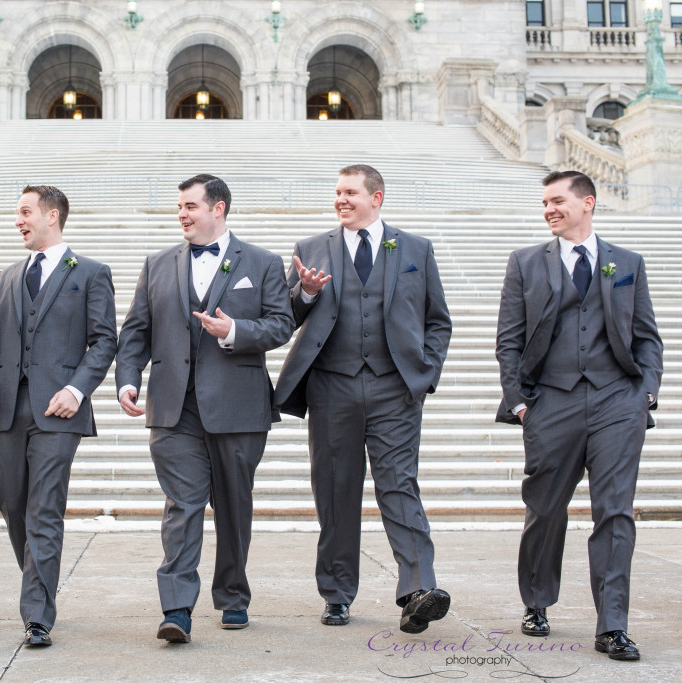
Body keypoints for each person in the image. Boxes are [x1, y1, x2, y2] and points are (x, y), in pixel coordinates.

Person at [274, 164, 452, 633]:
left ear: (377, 197)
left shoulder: (415, 249)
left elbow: (438, 320)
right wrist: (306, 292)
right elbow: (284, 318)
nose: (341, 200)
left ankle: (418, 591)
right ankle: (336, 594)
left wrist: (424, 374)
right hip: (332, 386)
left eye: (350, 192)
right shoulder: (310, 250)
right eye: (337, 192)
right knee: (335, 491)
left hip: (396, 389)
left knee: (400, 485)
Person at [116, 174, 293, 643]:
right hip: (174, 409)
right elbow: (135, 330)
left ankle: (233, 596)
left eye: (191, 206)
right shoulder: (156, 264)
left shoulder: (262, 262)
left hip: (239, 406)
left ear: (219, 209)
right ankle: (176, 608)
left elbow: (280, 325)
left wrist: (235, 331)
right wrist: (127, 380)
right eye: (180, 206)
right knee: (183, 505)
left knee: (235, 507)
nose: (182, 214)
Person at [495, 170, 662, 661]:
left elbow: (647, 336)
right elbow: (509, 339)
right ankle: (537, 601)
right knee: (545, 510)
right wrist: (521, 401)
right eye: (544, 203)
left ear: (587, 203)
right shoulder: (526, 262)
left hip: (617, 401)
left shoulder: (626, 262)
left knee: (615, 513)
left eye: (557, 201)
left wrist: (645, 394)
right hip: (552, 400)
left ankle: (612, 625)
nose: (548, 209)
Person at [0, 185, 117, 648]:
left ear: (52, 216)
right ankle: (40, 578)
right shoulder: (7, 276)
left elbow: (104, 341)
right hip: (9, 410)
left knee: (44, 508)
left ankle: (37, 613)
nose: (18, 220)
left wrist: (77, 390)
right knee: (12, 505)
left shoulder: (92, 273)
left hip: (60, 411)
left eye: (24, 212)